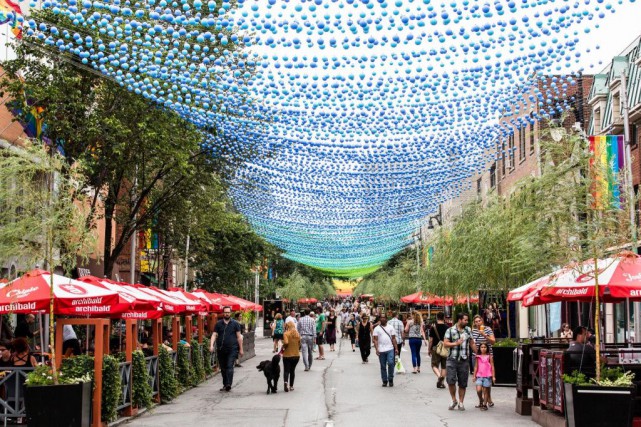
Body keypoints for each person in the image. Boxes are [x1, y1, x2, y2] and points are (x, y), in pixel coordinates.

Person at [444, 312, 477, 411]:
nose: (467, 322)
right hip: (452, 359)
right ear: (459, 320)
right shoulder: (450, 330)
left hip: (464, 360)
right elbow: (445, 344)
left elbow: (471, 343)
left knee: (463, 382)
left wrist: (478, 353)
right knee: (450, 380)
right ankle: (454, 400)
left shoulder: (468, 330)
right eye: (465, 320)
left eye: (467, 320)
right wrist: (455, 343)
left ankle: (461, 402)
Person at [210, 306, 244, 392]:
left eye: (228, 312)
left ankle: (229, 384)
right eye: (225, 312)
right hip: (221, 349)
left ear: (230, 313)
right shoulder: (218, 324)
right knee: (223, 368)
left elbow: (239, 337)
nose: (227, 314)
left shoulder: (235, 324)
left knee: (229, 366)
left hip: (232, 349)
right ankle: (225, 384)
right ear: (223, 313)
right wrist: (211, 345)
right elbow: (214, 335)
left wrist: (241, 349)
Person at [470, 315, 496, 405]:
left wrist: (484, 335)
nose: (478, 323)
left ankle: (489, 398)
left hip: (488, 356)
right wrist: (475, 352)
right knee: (479, 378)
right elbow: (472, 343)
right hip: (477, 356)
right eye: (476, 321)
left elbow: (493, 341)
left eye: (479, 321)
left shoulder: (487, 329)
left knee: (487, 377)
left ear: (482, 321)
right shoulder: (473, 331)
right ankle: (482, 400)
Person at [372, 313, 398, 387]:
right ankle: (384, 380)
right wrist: (377, 349)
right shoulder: (376, 328)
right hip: (381, 350)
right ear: (380, 319)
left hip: (390, 349)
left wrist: (396, 348)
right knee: (383, 366)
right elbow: (376, 340)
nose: (383, 319)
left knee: (391, 363)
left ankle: (390, 379)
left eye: (384, 317)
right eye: (381, 318)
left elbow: (393, 338)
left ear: (387, 319)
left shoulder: (391, 327)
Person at [428, 312, 449, 388]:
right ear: (444, 317)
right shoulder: (447, 327)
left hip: (435, 348)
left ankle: (439, 376)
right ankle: (442, 383)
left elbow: (431, 340)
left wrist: (429, 349)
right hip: (445, 348)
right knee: (444, 366)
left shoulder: (433, 327)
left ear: (437, 317)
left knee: (434, 365)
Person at [473, 343, 495, 411]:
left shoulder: (489, 356)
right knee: (478, 390)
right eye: (481, 347)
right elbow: (476, 366)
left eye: (484, 347)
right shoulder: (477, 356)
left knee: (486, 390)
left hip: (487, 375)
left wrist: (493, 376)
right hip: (479, 375)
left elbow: (492, 366)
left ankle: (485, 404)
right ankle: (481, 400)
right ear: (479, 348)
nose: (483, 348)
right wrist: (474, 375)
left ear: (487, 348)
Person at [282, 321, 301, 392]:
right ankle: (291, 386)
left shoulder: (286, 334)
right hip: (296, 355)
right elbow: (300, 345)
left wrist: (284, 346)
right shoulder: (297, 334)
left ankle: (286, 383)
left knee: (286, 370)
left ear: (287, 326)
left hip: (287, 355)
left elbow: (286, 342)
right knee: (292, 370)